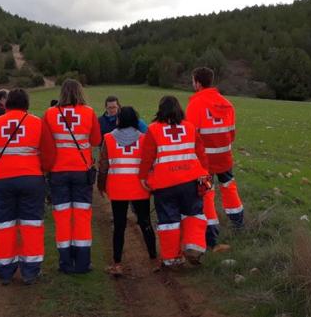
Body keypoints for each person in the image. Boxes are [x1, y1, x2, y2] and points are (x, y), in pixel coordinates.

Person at [0, 89, 53, 285]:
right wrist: (41, 169)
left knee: (4, 225)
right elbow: (50, 155)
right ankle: (30, 271)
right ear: (27, 104)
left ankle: (5, 271)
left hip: (2, 180)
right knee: (31, 224)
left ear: (6, 105)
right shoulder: (37, 123)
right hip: (32, 180)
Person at [138, 96, 209, 267]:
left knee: (169, 221)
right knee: (193, 215)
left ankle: (172, 258)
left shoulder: (153, 129)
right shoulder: (190, 127)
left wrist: (142, 177)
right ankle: (193, 248)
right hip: (190, 181)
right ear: (179, 109)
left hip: (164, 184)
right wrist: (205, 173)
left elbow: (147, 157)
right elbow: (201, 154)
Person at [42, 79, 102, 274]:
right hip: (81, 171)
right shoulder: (89, 112)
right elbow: (95, 140)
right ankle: (83, 263)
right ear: (80, 92)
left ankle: (65, 263)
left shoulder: (50, 114)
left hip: (58, 172)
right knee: (82, 216)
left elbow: (44, 142)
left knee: (62, 217)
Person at [186, 66, 244, 251]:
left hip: (204, 162)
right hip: (224, 156)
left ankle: (211, 234)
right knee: (229, 187)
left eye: (193, 80)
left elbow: (191, 135)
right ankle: (238, 223)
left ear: (198, 82)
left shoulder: (195, 104)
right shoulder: (227, 104)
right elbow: (232, 134)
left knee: (207, 193)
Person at [97, 106, 157, 276]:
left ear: (119, 120)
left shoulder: (108, 138)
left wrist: (101, 185)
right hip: (140, 188)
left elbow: (103, 166)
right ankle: (154, 259)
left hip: (118, 189)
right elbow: (150, 164)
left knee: (119, 226)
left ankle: (117, 264)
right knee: (145, 223)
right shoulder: (145, 139)